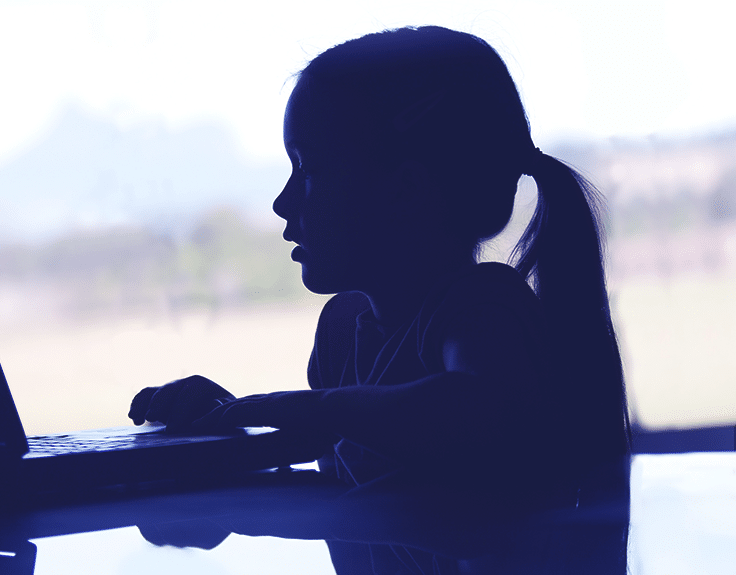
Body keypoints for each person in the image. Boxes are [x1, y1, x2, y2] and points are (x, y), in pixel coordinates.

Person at [129, 26, 630, 502]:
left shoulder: (482, 305)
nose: (282, 203)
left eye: (307, 169)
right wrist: (226, 422)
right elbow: (345, 470)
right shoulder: (341, 330)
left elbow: (480, 412)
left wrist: (300, 409)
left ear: (404, 191)